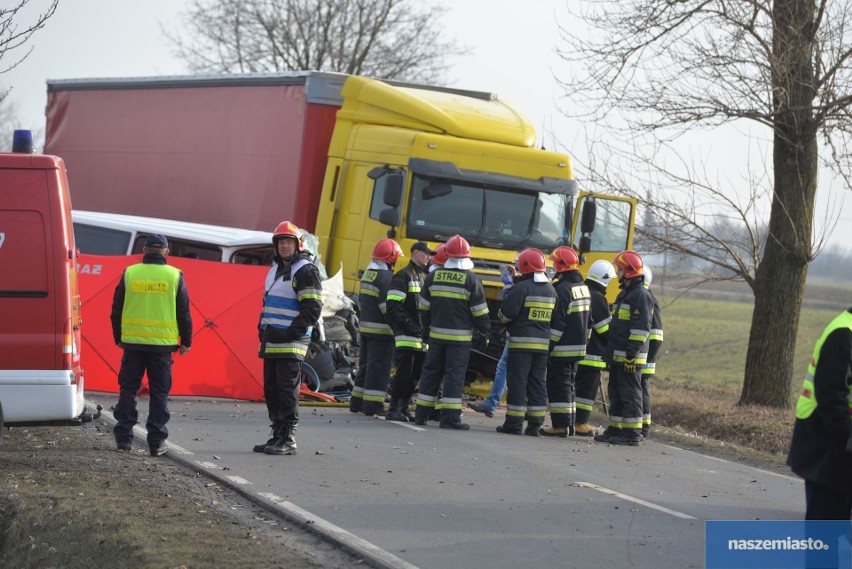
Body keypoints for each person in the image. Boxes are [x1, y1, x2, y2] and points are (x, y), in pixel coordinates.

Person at [110, 233, 192, 456]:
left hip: (132, 344)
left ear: (144, 251)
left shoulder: (130, 273)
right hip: (162, 347)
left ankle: (123, 440)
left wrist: (118, 337)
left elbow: (116, 309)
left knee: (128, 389)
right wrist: (186, 341)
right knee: (159, 393)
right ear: (167, 252)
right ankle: (156, 443)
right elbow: (183, 312)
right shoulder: (174, 275)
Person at [255, 221, 323, 455]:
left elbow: (312, 307)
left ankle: (288, 438)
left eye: (289, 242)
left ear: (298, 245)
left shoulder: (305, 270)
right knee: (272, 389)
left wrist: (291, 332)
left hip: (291, 341)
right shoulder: (274, 270)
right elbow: (268, 303)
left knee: (287, 389)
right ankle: (277, 434)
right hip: (272, 340)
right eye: (281, 242)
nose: (285, 246)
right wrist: (261, 328)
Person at [414, 234, 490, 429]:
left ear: (447, 255)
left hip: (436, 338)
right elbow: (480, 313)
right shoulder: (471, 280)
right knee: (454, 376)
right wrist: (484, 334)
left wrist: (426, 330)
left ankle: (421, 415)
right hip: (460, 340)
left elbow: (423, 308)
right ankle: (450, 419)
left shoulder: (433, 276)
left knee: (430, 374)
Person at [788, 307, 852, 520]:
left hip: (840, 445)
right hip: (828, 447)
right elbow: (830, 397)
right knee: (825, 534)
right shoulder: (843, 334)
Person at [495, 248, 557, 436]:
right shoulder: (551, 290)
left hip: (521, 345)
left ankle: (513, 424)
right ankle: (535, 424)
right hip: (542, 346)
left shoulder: (521, 288)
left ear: (524, 265)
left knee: (518, 382)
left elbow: (506, 315)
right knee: (537, 383)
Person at [594, 250, 652, 446]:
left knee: (630, 394)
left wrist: (631, 354)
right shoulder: (626, 294)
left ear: (627, 271)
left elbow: (640, 329)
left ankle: (632, 434)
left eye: (619, 268)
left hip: (629, 357)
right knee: (616, 393)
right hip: (618, 355)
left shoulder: (640, 296)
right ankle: (615, 429)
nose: (617, 272)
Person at [540, 246, 592, 437]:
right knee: (569, 386)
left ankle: (560, 426)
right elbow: (590, 321)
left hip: (561, 348)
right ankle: (569, 424)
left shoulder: (562, 289)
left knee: (558, 386)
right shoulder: (583, 288)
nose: (553, 266)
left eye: (555, 263)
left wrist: (549, 346)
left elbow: (557, 324)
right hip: (578, 349)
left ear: (562, 266)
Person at [349, 238, 402, 416]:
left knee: (365, 366)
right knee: (378, 369)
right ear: (391, 258)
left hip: (365, 328)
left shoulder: (368, 273)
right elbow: (386, 307)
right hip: (382, 331)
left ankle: (356, 402)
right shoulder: (386, 277)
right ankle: (373, 405)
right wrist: (398, 326)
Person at [385, 241, 435, 422]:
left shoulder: (424, 277)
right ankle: (393, 408)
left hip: (421, 336)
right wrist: (408, 326)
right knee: (404, 373)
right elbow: (393, 306)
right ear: (415, 253)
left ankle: (404, 407)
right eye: (426, 254)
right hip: (407, 334)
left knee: (415, 375)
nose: (428, 257)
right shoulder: (403, 275)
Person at [467, 261, 516, 418]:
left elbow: (508, 309)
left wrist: (508, 283)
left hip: (518, 338)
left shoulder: (523, 288)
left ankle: (494, 404)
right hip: (539, 341)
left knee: (504, 368)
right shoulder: (548, 288)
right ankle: (529, 414)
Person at [574, 260, 616, 436]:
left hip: (576, 350)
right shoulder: (598, 297)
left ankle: (571, 420)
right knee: (586, 392)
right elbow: (605, 329)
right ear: (605, 279)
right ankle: (580, 423)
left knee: (574, 388)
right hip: (592, 355)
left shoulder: (581, 290)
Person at [641, 265, 664, 438]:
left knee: (642, 388)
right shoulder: (644, 297)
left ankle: (644, 425)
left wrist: (649, 358)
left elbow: (656, 334)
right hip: (645, 354)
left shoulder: (649, 299)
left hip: (646, 356)